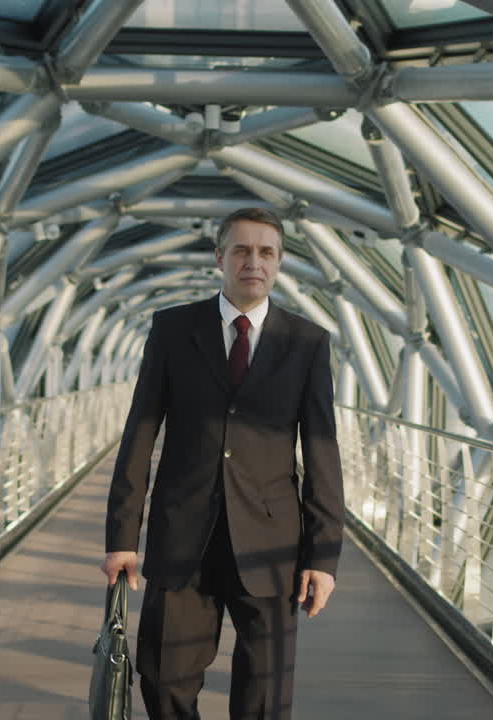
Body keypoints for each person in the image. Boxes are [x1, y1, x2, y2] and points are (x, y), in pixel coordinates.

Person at [100, 206, 345, 720]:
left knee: (265, 694)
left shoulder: (308, 342)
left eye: (266, 252)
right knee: (164, 680)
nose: (253, 261)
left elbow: (322, 453)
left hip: (272, 545)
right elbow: (140, 433)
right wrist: (123, 537)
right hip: (183, 536)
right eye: (241, 249)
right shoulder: (172, 329)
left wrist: (323, 557)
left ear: (279, 263)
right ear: (220, 257)